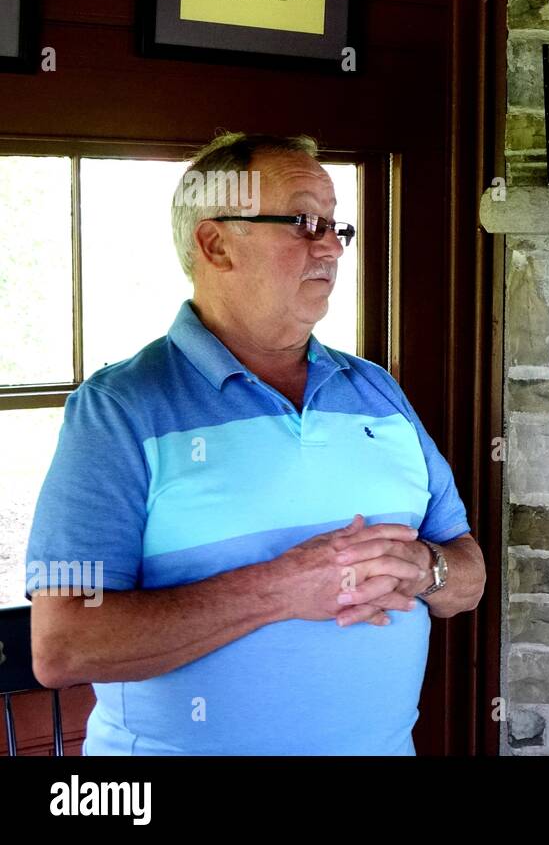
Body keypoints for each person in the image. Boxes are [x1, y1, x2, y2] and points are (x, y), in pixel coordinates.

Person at [24, 132, 485, 755]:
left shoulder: (378, 390)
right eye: (301, 222)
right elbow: (63, 645)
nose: (330, 247)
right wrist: (282, 588)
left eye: (333, 227)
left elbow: (468, 576)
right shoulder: (117, 409)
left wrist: (427, 569)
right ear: (215, 243)